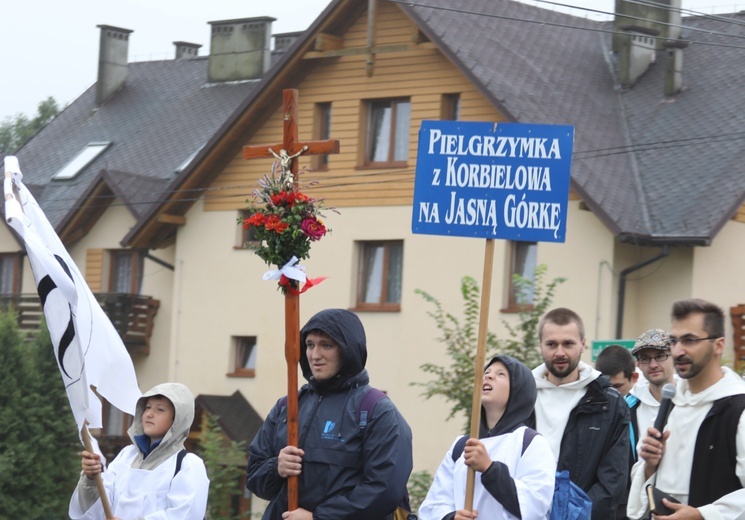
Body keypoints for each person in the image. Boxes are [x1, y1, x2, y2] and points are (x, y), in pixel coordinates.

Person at [246, 308, 413, 519]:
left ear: (348, 349)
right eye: (309, 345)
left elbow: (384, 490)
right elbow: (254, 479)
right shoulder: (287, 407)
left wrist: (318, 517)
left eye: (326, 345)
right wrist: (276, 467)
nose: (315, 355)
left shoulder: (376, 411)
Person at [627, 299, 745, 520]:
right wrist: (650, 467)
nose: (678, 350)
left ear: (718, 345)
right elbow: (639, 495)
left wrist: (704, 515)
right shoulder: (670, 407)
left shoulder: (738, 409)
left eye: (690, 340)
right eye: (674, 341)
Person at [419, 355, 556, 520]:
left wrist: (490, 469)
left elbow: (535, 505)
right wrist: (450, 517)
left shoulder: (531, 443)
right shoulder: (461, 445)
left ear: (519, 389)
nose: (489, 376)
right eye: (487, 372)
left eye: (500, 374)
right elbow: (434, 503)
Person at [532, 307, 630, 520]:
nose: (560, 352)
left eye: (568, 343)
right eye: (551, 344)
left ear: (583, 344)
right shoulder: (521, 398)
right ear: (540, 346)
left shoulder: (610, 403)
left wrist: (572, 514)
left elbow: (613, 481)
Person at [69, 383, 209, 520]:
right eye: (147, 407)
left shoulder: (187, 465)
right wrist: (91, 478)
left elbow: (185, 516)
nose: (149, 414)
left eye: (160, 409)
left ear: (177, 419)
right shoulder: (126, 456)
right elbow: (95, 511)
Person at [626, 328, 676, 459]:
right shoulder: (627, 408)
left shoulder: (691, 400)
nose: (653, 365)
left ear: (674, 356)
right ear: (638, 364)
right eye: (645, 358)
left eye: (660, 356)